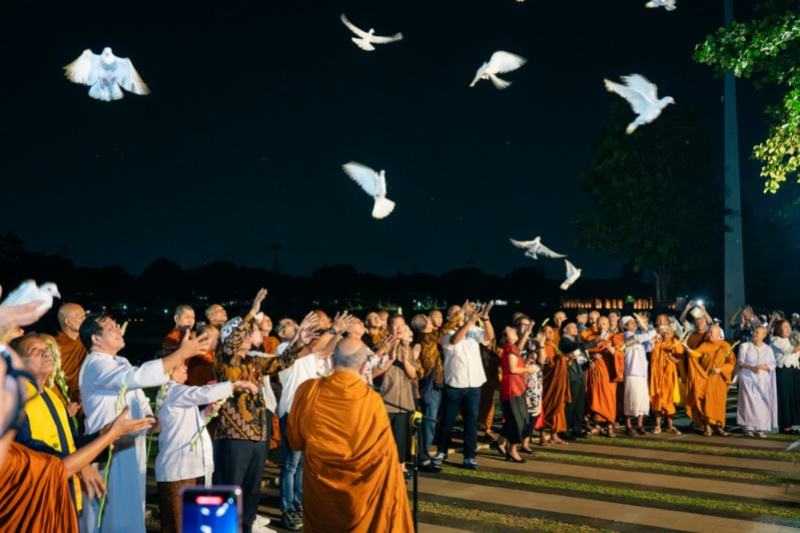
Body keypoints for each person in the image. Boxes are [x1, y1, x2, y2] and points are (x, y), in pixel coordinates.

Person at [78, 311, 211, 533]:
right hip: (108, 449)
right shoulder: (94, 364)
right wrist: (180, 354)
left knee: (131, 504)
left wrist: (151, 419)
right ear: (95, 338)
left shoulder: (121, 361)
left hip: (132, 447)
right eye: (111, 327)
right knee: (110, 508)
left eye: (116, 325)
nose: (118, 330)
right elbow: (134, 378)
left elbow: (138, 394)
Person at [286, 336, 414, 532]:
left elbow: (295, 441)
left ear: (330, 360)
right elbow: (384, 455)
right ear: (364, 367)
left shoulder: (308, 390)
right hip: (363, 496)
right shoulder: (372, 400)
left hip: (321, 492)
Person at [12, 333, 111, 514]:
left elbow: (72, 443)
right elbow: (25, 447)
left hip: (63, 488)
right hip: (34, 494)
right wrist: (80, 465)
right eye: (35, 350)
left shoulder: (54, 399)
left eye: (46, 350)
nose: (46, 353)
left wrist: (104, 435)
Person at [155, 360, 258, 533]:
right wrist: (237, 383)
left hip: (193, 468)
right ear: (169, 370)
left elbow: (183, 425)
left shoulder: (176, 393)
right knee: (179, 525)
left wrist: (205, 414)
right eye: (181, 364)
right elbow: (202, 393)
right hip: (179, 469)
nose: (186, 367)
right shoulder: (173, 391)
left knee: (195, 524)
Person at [432, 302, 494, 470]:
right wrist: (468, 320)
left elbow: (489, 337)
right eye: (456, 312)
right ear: (451, 318)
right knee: (448, 421)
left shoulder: (474, 331)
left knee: (471, 422)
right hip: (455, 384)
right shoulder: (446, 334)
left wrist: (486, 318)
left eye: (462, 311)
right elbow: (455, 340)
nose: (462, 314)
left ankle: (469, 456)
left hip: (474, 384)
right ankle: (441, 451)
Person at [410, 309, 459, 472]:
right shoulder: (426, 338)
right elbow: (445, 330)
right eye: (429, 320)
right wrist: (460, 315)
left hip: (434, 384)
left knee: (430, 421)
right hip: (431, 385)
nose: (432, 322)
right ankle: (423, 457)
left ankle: (423, 454)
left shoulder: (425, 338)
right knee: (429, 422)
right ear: (426, 325)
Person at [494, 326, 539, 462]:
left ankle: (502, 443)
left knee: (519, 419)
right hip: (512, 388)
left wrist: (527, 362)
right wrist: (528, 369)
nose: (514, 332)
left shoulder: (513, 348)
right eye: (511, 331)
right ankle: (512, 450)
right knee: (517, 421)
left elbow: (514, 366)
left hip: (517, 387)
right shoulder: (509, 348)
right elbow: (513, 369)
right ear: (506, 337)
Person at [682, 325, 735, 437]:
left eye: (712, 333)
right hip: (706, 378)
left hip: (719, 379)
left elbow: (731, 363)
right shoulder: (705, 345)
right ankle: (707, 426)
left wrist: (721, 369)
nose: (709, 334)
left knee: (719, 403)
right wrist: (688, 349)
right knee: (706, 402)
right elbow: (697, 354)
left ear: (718, 335)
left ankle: (719, 426)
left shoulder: (725, 346)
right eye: (709, 332)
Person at [584, 317, 624, 438]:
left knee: (609, 398)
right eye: (599, 323)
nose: (601, 325)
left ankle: (610, 425)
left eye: (604, 323)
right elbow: (585, 352)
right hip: (595, 370)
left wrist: (610, 350)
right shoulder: (591, 337)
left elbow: (620, 354)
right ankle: (597, 425)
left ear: (608, 325)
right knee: (595, 397)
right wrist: (591, 358)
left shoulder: (614, 337)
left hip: (608, 372)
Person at [558, 322, 597, 439]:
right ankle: (565, 430)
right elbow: (575, 347)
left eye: (576, 327)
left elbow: (578, 360)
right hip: (571, 376)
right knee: (571, 404)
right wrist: (594, 342)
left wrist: (587, 365)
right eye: (573, 327)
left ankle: (577, 428)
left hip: (578, 376)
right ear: (565, 329)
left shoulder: (573, 342)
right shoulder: (565, 341)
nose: (575, 329)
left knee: (579, 405)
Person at [737, 327, 778, 438]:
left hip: (763, 379)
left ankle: (761, 427)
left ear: (763, 335)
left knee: (762, 403)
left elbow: (773, 364)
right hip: (748, 378)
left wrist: (763, 367)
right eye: (754, 332)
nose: (754, 334)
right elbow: (740, 362)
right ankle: (748, 427)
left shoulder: (768, 349)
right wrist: (751, 367)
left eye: (757, 333)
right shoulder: (745, 346)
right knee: (748, 402)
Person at [621, 315, 656, 436]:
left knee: (642, 400)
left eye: (634, 322)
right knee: (630, 399)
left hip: (642, 374)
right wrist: (652, 332)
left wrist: (648, 333)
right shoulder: (626, 336)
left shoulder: (639, 339)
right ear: (625, 326)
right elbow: (638, 338)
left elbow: (650, 348)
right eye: (630, 323)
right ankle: (628, 426)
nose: (634, 324)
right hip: (631, 373)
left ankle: (639, 425)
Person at [54, 303, 88, 418]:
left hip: (86, 399)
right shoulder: (54, 346)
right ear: (68, 322)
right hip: (63, 400)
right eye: (80, 316)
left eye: (85, 315)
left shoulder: (88, 342)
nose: (85, 319)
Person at [649, 325, 684, 434]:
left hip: (669, 375)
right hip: (657, 374)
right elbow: (651, 351)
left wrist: (670, 356)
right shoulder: (655, 341)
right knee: (657, 398)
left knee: (669, 398)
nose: (665, 333)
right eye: (664, 331)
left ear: (673, 333)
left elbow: (679, 361)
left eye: (668, 332)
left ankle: (670, 426)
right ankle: (658, 425)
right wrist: (657, 342)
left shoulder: (675, 343)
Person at [540, 325, 570, 445]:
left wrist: (566, 360)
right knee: (544, 406)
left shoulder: (554, 346)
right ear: (542, 334)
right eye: (547, 332)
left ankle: (554, 435)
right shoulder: (540, 346)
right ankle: (542, 435)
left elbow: (559, 363)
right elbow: (545, 364)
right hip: (546, 381)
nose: (550, 334)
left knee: (557, 405)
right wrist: (560, 361)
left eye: (551, 332)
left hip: (556, 381)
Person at [769, 319, 800, 434]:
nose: (788, 329)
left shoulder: (791, 340)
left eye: (789, 327)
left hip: (793, 371)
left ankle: (790, 424)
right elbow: (791, 351)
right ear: (778, 329)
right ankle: (785, 425)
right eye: (785, 327)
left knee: (792, 397)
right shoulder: (776, 340)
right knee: (785, 398)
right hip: (783, 371)